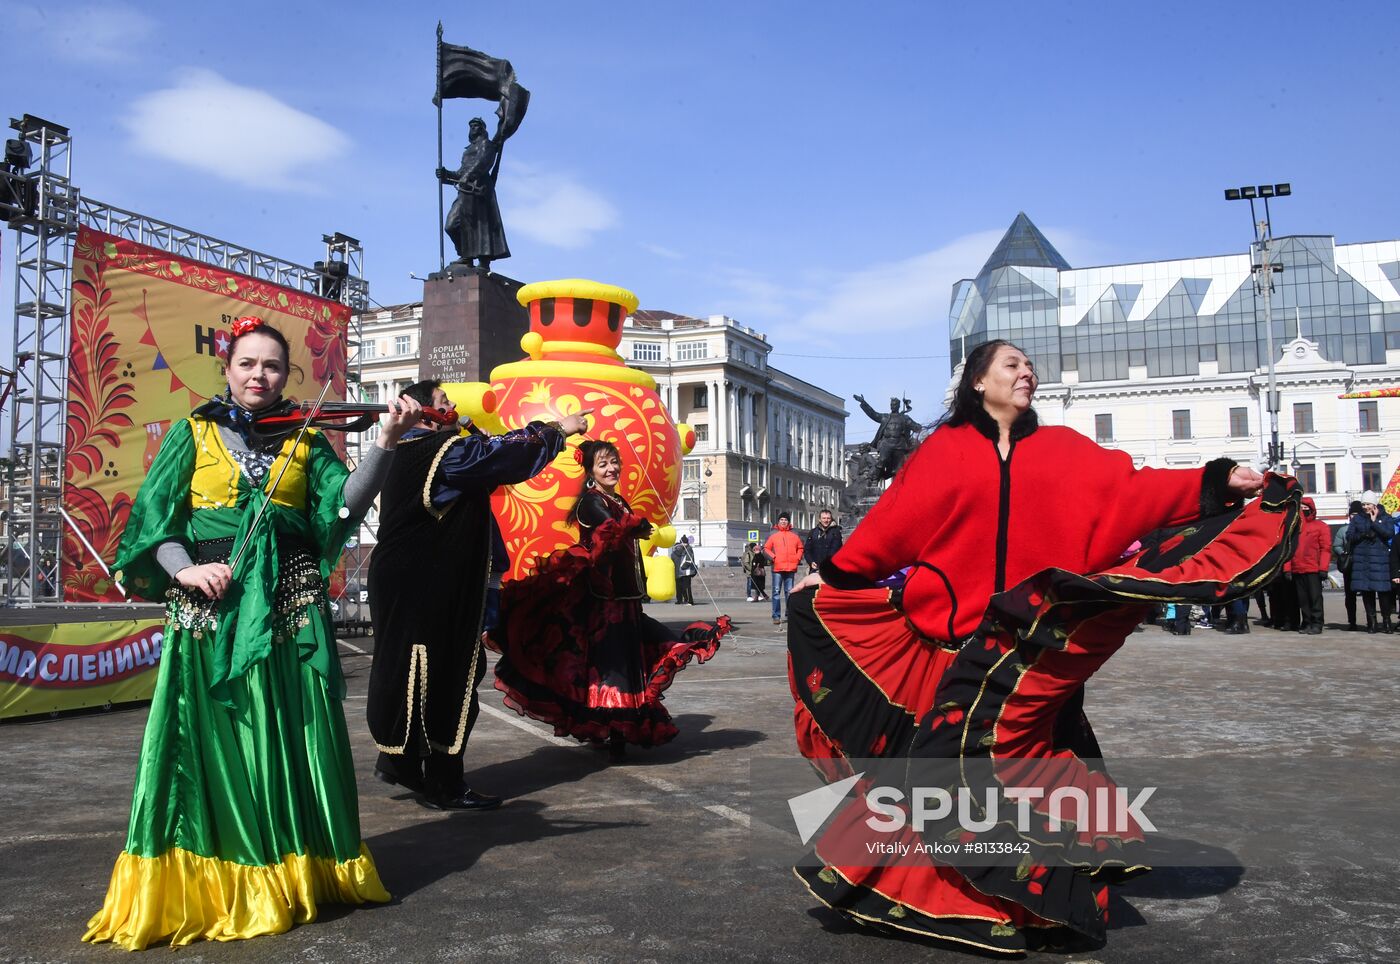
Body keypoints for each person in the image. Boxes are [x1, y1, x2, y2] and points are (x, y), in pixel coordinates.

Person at [785, 339, 1283, 956]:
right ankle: (946, 896)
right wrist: (830, 578)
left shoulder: (1064, 451)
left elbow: (1136, 490)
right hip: (952, 648)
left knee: (1013, 772)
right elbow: (890, 528)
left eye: (1029, 366)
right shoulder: (943, 453)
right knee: (941, 775)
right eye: (1012, 366)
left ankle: (1021, 892)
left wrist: (1216, 481)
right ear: (977, 383)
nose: (1027, 374)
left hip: (1025, 655)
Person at [84, 317, 422, 950]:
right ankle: (221, 881)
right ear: (228, 368)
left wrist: (389, 442)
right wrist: (187, 570)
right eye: (247, 364)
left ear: (286, 375)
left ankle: (298, 872)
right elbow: (155, 526)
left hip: (289, 609)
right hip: (215, 611)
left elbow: (344, 506)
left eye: (271, 366)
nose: (258, 376)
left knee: (294, 737)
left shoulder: (304, 437)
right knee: (219, 740)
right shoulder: (192, 433)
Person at [366, 379, 588, 810]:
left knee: (414, 671)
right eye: (444, 403)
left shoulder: (409, 451)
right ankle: (443, 784)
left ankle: (401, 762)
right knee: (451, 675)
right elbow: (504, 456)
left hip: (407, 579)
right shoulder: (442, 453)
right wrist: (558, 429)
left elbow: (493, 450)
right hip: (430, 583)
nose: (453, 408)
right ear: (423, 413)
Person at [489, 440, 729, 761]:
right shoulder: (591, 501)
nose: (611, 469)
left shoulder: (619, 501)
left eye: (614, 462)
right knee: (611, 667)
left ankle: (612, 727)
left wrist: (636, 526)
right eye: (603, 465)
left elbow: (623, 529)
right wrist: (636, 525)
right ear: (590, 471)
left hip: (626, 598)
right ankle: (615, 729)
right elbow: (610, 527)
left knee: (639, 655)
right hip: (605, 603)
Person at [437, 117, 510, 270]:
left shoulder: (487, 145)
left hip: (480, 191)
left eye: (476, 125)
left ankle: (483, 261)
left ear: (483, 128)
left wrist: (467, 176)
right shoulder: (468, 150)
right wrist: (446, 175)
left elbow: (483, 163)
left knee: (482, 227)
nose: (473, 128)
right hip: (465, 192)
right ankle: (465, 255)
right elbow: (461, 173)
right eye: (471, 126)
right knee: (451, 225)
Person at [1346, 490, 1394, 633]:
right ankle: (1371, 622)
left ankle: (1386, 621)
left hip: (1380, 561)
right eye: (1364, 504)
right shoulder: (1357, 519)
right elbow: (1350, 536)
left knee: (1383, 592)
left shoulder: (1386, 517)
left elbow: (1389, 533)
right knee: (1367, 592)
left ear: (1375, 504)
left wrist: (1374, 523)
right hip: (1363, 561)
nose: (1366, 507)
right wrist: (1363, 534)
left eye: (1368, 504)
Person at [1292, 497, 1331, 635]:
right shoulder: (1294, 527)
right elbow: (1288, 549)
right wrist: (1287, 569)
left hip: (1313, 568)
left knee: (1315, 598)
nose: (1304, 510)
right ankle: (1306, 622)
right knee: (1302, 599)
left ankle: (1317, 622)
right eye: (1301, 507)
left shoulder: (1321, 526)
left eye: (1306, 507)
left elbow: (1325, 549)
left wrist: (1323, 568)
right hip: (1297, 568)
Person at [763, 512, 804, 624]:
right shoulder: (773, 534)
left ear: (788, 522)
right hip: (777, 567)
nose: (783, 521)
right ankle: (776, 616)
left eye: (785, 520)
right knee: (776, 592)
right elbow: (766, 548)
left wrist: (797, 558)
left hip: (790, 567)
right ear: (778, 521)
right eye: (781, 519)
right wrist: (774, 557)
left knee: (790, 592)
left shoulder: (794, 535)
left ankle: (789, 614)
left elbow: (800, 547)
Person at [1334, 500, 1361, 630]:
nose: (1354, 516)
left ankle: (1370, 620)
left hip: (1363, 565)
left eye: (1357, 514)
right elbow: (1336, 545)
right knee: (1350, 596)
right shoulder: (1343, 530)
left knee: (1367, 595)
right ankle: (1352, 621)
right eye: (1352, 514)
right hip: (1349, 566)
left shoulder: (1365, 528)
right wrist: (1343, 553)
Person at [804, 509, 843, 574]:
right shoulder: (813, 532)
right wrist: (810, 561)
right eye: (824, 518)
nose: (826, 520)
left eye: (828, 518)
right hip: (815, 569)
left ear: (831, 519)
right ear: (820, 519)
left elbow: (835, 550)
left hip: (830, 568)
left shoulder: (836, 532)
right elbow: (807, 550)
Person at [670, 534, 698, 605]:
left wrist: (682, 567)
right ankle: (687, 600)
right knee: (686, 587)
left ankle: (688, 601)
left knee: (685, 587)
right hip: (684, 572)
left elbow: (689, 560)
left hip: (685, 571)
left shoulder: (688, 549)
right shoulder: (686, 549)